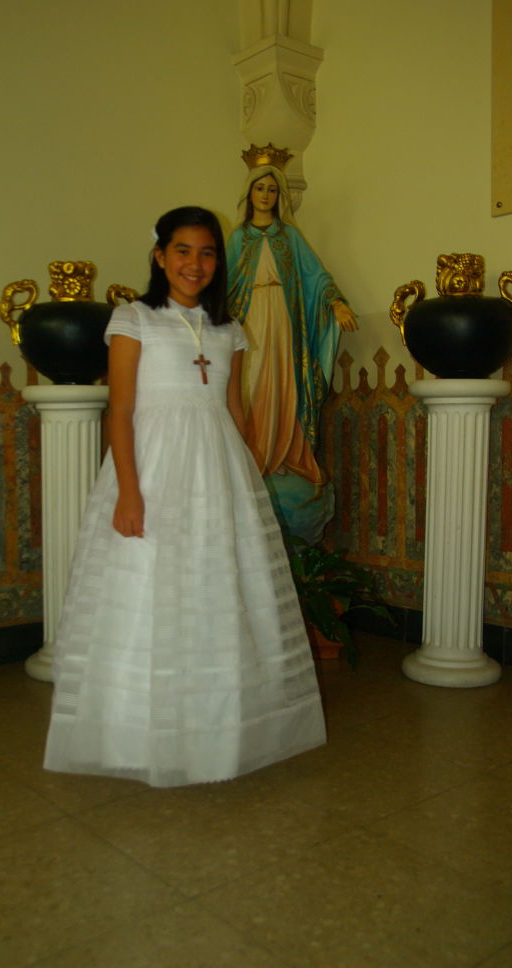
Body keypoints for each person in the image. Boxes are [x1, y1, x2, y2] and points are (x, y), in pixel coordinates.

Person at [44, 206, 326, 788]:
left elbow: (235, 411)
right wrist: (129, 493)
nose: (194, 264)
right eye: (182, 251)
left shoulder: (230, 330)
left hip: (218, 473)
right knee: (148, 588)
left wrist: (247, 482)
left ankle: (222, 730)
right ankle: (139, 731)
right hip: (153, 471)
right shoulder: (133, 319)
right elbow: (121, 411)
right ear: (159, 256)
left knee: (219, 587)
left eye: (206, 252)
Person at [227, 156, 358, 543]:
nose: (265, 195)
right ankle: (254, 457)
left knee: (283, 386)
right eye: (260, 188)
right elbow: (224, 286)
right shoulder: (238, 238)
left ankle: (284, 455)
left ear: (279, 196)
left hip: (284, 323)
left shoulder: (289, 237)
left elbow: (315, 276)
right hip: (248, 321)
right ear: (249, 193)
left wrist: (336, 303)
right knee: (249, 386)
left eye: (272, 189)